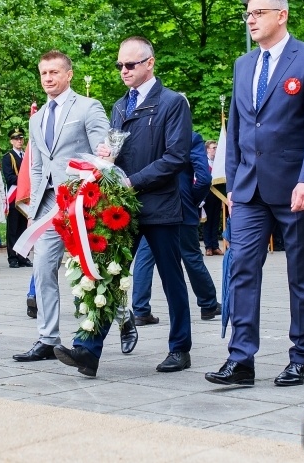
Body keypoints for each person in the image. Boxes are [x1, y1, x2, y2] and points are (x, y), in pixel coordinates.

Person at [205, 0, 304, 387]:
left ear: (282, 15)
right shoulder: (244, 65)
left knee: (301, 275)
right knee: (241, 270)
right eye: (247, 13)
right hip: (249, 192)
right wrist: (233, 189)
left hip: (296, 189)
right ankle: (241, 360)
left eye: (259, 12)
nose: (250, 19)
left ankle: (301, 357)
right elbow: (241, 128)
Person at [53, 36, 193, 377]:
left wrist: (133, 181)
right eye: (119, 65)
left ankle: (180, 348)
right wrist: (106, 158)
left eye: (130, 64)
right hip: (120, 207)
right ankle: (88, 349)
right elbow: (117, 150)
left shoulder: (172, 103)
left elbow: (176, 157)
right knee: (107, 275)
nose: (123, 70)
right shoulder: (120, 105)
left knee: (172, 277)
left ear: (150, 63)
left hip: (158, 204)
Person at [12, 49, 110, 363]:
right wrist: (36, 209)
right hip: (49, 205)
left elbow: (103, 153)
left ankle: (111, 322)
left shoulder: (88, 106)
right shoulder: (37, 118)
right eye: (44, 73)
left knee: (92, 270)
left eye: (54, 72)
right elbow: (38, 166)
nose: (48, 78)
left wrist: (94, 177)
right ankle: (47, 338)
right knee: (42, 269)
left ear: (68, 74)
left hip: (82, 200)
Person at [131, 131, 221, 326]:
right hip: (180, 204)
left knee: (145, 257)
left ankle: (140, 310)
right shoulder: (191, 137)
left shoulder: (148, 135)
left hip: (148, 204)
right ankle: (208, 304)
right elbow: (204, 178)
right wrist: (193, 199)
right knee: (191, 255)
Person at [1, 128, 32, 269]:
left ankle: (22, 256)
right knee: (13, 229)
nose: (19, 141)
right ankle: (12, 257)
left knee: (23, 228)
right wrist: (25, 180)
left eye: (21, 138)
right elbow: (9, 177)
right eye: (16, 139)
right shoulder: (8, 157)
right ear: (11, 141)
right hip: (15, 195)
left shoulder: (27, 155)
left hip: (26, 196)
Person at [201, 139, 224, 256]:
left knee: (216, 221)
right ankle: (208, 247)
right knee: (208, 221)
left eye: (216, 147)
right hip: (207, 194)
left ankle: (215, 246)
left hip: (217, 194)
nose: (216, 149)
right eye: (214, 148)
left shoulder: (218, 163)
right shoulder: (204, 162)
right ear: (208, 149)